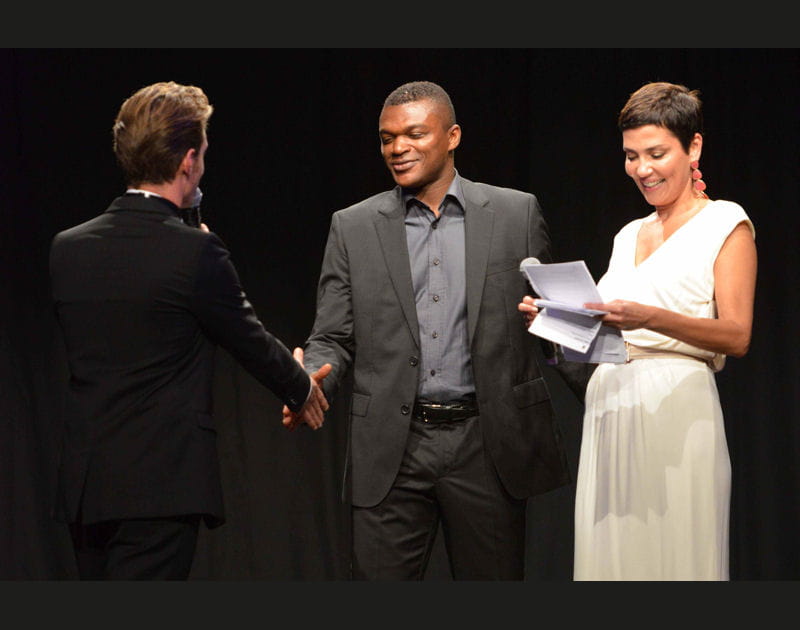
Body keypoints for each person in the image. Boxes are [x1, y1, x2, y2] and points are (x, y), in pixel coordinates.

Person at [283, 80, 588, 580]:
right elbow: (333, 336)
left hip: (487, 445)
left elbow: (551, 319)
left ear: (452, 136)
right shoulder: (353, 226)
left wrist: (609, 391)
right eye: (386, 138)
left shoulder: (516, 214)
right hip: (392, 448)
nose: (398, 148)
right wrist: (311, 381)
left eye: (414, 134)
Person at [49, 81, 330, 580]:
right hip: (158, 485)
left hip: (88, 486)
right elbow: (246, 336)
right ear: (188, 160)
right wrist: (301, 386)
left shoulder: (67, 248)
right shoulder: (195, 252)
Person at [520, 81, 757, 580]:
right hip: (611, 406)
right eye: (631, 156)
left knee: (675, 557)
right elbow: (606, 324)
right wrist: (553, 318)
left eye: (656, 153)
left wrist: (648, 318)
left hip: (677, 408)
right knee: (613, 560)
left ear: (693, 146)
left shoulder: (725, 223)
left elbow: (736, 335)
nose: (642, 169)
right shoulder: (629, 233)